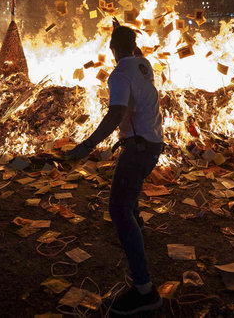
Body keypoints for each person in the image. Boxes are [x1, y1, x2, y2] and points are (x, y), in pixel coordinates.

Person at [66, 25, 164, 315]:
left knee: (118, 209)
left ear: (112, 50)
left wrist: (87, 146)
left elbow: (116, 112)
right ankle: (139, 226)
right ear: (133, 47)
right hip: (154, 144)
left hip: (138, 148)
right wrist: (124, 34)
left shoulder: (119, 74)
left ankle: (144, 290)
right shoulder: (144, 65)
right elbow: (136, 52)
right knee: (129, 200)